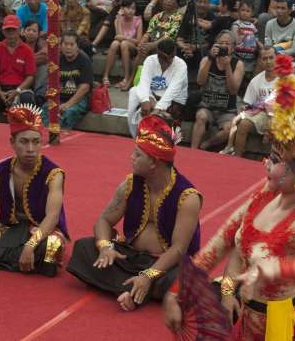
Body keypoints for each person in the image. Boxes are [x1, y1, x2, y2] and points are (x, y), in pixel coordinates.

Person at [164, 55, 295, 341]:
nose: (266, 165)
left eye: (276, 160)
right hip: (249, 318)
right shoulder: (261, 198)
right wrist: (177, 292)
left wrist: (279, 266)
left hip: (288, 328)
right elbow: (217, 246)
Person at [68, 113, 202, 311]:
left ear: (154, 163)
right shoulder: (129, 184)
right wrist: (105, 247)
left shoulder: (188, 197)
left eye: (138, 155)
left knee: (184, 280)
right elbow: (104, 220)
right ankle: (138, 290)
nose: (131, 157)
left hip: (165, 265)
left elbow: (178, 250)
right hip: (129, 256)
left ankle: (134, 287)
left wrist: (148, 275)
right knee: (84, 248)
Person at [0, 104, 69, 277]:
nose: (31, 149)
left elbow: (52, 217)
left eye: (36, 142)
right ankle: (14, 259)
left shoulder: (54, 173)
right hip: (9, 228)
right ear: (12, 143)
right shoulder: (0, 171)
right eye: (24, 141)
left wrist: (30, 246)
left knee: (51, 246)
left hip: (39, 230)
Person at [192, 30, 245, 151]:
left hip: (227, 110)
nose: (224, 46)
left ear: (233, 47)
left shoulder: (238, 64)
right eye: (221, 43)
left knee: (231, 128)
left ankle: (206, 144)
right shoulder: (207, 60)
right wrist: (211, 59)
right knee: (201, 116)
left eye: (227, 43)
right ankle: (192, 150)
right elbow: (200, 81)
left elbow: (233, 90)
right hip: (207, 105)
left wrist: (227, 67)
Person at [0, 15, 37, 122]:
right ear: (3, 32)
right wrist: (0, 92)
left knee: (27, 98)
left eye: (13, 30)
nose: (11, 33)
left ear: (20, 30)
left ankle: (28, 129)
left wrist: (17, 91)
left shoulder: (27, 50)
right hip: (0, 89)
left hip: (20, 89)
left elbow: (30, 77)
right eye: (8, 30)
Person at [222, 46, 277, 157]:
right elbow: (247, 104)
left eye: (271, 58)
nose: (268, 61)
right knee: (243, 124)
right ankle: (237, 159)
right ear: (260, 61)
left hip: (281, 115)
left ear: (277, 58)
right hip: (261, 114)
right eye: (265, 59)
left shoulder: (286, 78)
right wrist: (244, 110)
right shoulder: (256, 81)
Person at [127, 39, 188, 138]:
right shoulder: (150, 60)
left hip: (173, 100)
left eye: (170, 58)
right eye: (163, 58)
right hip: (153, 95)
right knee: (134, 91)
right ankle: (135, 136)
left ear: (174, 54)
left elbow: (173, 90)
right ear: (157, 54)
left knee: (158, 118)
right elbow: (144, 82)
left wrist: (158, 108)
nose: (167, 61)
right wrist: (146, 99)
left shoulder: (181, 65)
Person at [52, 30, 93, 131]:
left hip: (78, 99)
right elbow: (51, 82)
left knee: (69, 112)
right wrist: (53, 101)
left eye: (71, 44)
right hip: (60, 97)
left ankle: (62, 137)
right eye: (65, 44)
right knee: (45, 110)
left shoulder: (84, 60)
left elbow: (85, 88)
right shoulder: (56, 59)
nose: (68, 47)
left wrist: (68, 104)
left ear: (77, 47)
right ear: (61, 46)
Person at [102, 0, 142, 91]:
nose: (131, 11)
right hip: (121, 47)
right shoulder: (118, 20)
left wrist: (125, 39)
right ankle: (105, 76)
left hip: (133, 48)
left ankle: (126, 77)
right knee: (115, 43)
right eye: (128, 8)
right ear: (122, 9)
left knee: (123, 43)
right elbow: (117, 37)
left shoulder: (138, 20)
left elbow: (138, 41)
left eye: (133, 8)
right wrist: (119, 21)